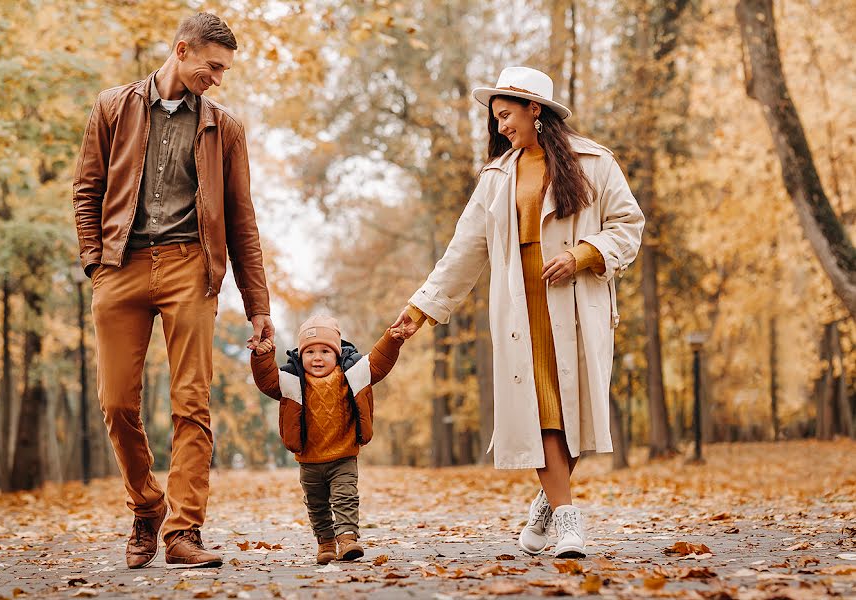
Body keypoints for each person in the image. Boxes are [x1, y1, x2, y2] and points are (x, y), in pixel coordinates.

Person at [393, 66, 644, 557]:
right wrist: (421, 308)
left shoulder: (595, 163)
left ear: (536, 109)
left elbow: (628, 225)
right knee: (543, 414)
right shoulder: (496, 176)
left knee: (573, 415)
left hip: (577, 306)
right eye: (496, 119)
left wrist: (584, 254)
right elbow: (464, 250)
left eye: (507, 115)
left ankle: (546, 506)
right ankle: (570, 521)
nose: (501, 127)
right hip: (520, 311)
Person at [72, 13, 273, 569]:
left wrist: (258, 306)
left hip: (191, 267)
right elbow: (87, 188)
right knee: (116, 403)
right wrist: (96, 262)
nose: (218, 78)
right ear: (181, 50)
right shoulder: (114, 107)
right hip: (121, 266)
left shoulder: (224, 128)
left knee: (192, 404)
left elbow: (242, 222)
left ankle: (184, 531)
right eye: (212, 66)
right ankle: (146, 505)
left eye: (225, 70)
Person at [250, 316, 405, 564]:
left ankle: (347, 539)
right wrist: (261, 356)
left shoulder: (352, 373)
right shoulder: (291, 379)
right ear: (300, 355)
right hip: (309, 460)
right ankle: (325, 543)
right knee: (317, 504)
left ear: (337, 353)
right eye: (309, 351)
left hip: (343, 454)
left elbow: (377, 362)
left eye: (325, 350)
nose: (317, 357)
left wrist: (392, 340)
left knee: (345, 497)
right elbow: (267, 380)